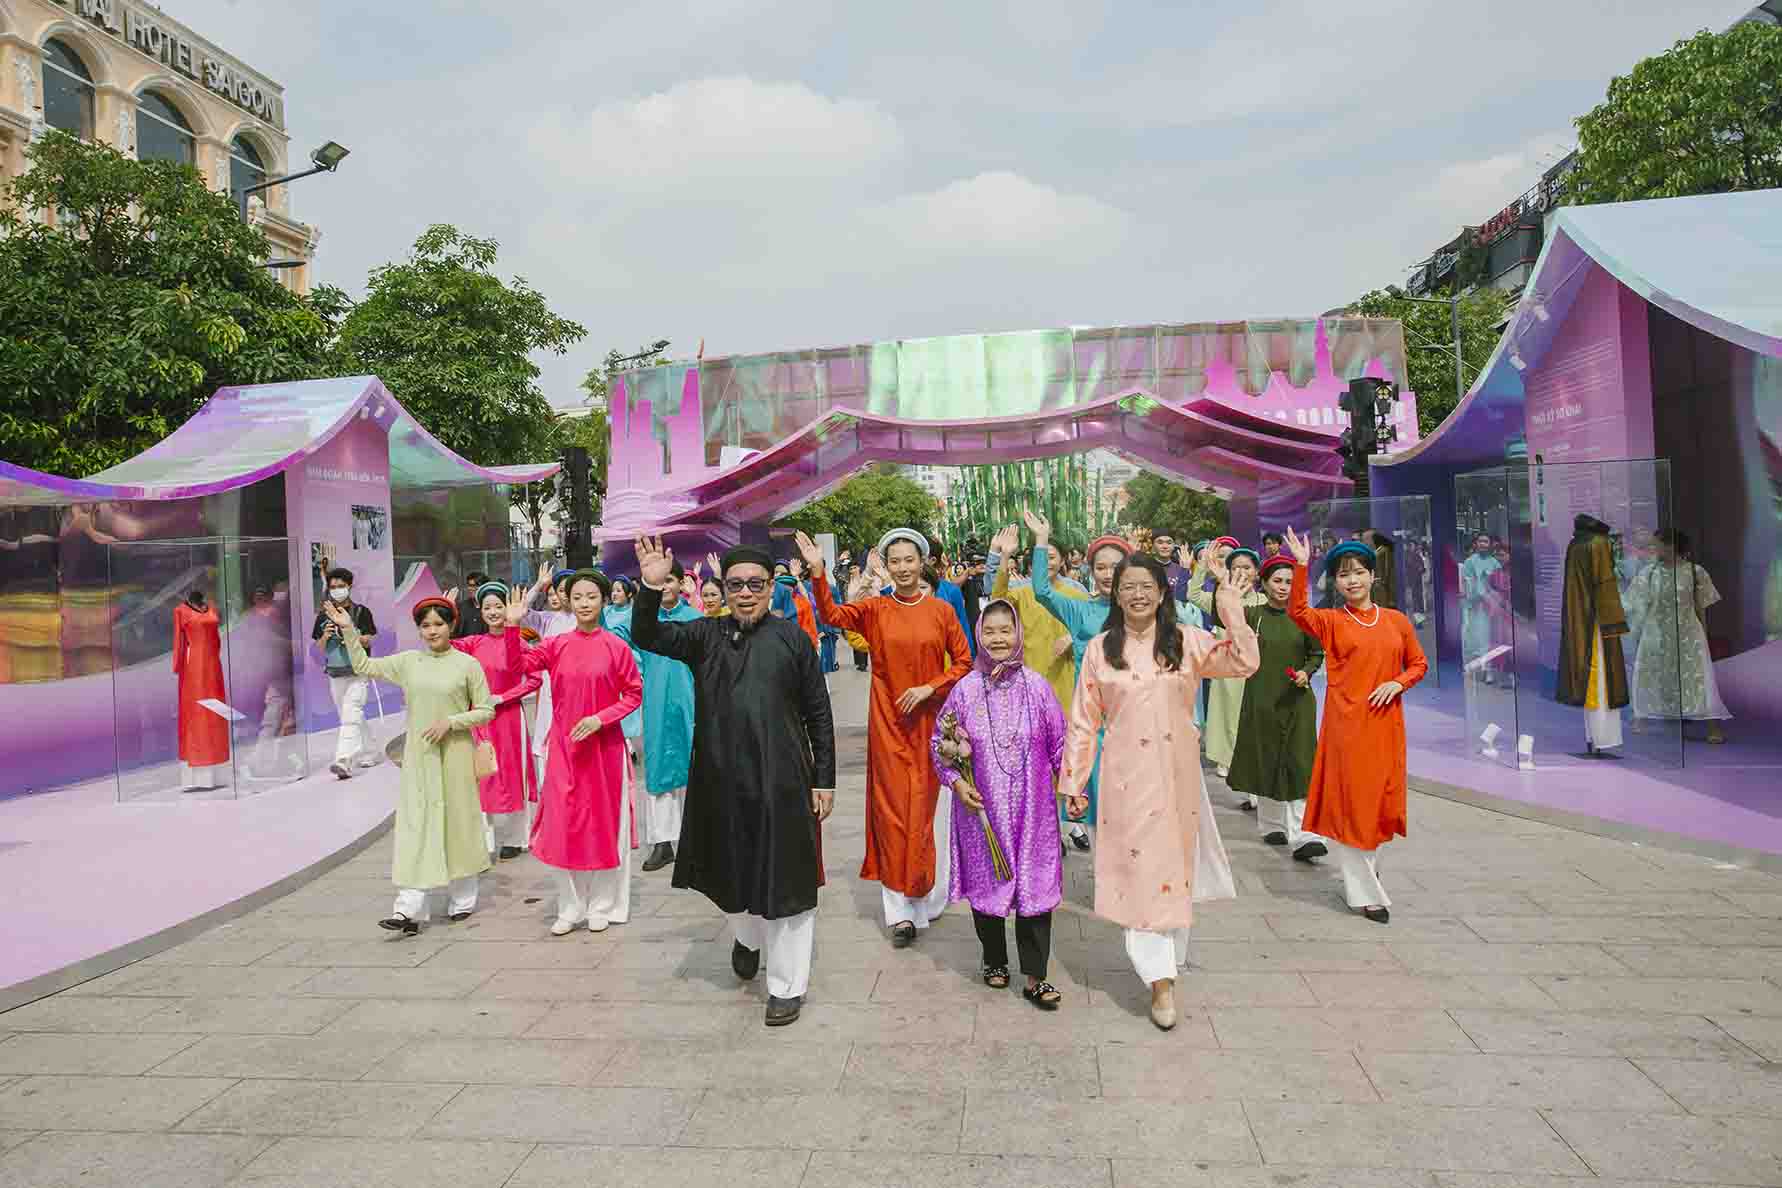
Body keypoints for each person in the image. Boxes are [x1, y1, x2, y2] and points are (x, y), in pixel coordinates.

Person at [630, 537, 835, 1026]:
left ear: (770, 589)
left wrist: (823, 778)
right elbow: (647, 636)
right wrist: (650, 587)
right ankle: (746, 935)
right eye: (736, 584)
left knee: (789, 883)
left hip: (784, 781)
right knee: (727, 873)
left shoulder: (792, 639)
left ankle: (787, 986)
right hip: (720, 780)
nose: (745, 593)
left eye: (755, 585)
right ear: (723, 589)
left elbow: (819, 713)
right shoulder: (704, 635)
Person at [1060, 551, 1255, 1030]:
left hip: (1177, 776)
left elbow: (1245, 660)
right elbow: (1084, 721)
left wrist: (1229, 605)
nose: (1137, 594)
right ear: (1115, 593)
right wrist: (1074, 782)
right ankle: (1161, 983)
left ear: (1163, 591)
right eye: (1128, 586)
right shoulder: (1101, 649)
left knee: (1171, 868)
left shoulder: (1186, 642)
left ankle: (1167, 960)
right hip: (1125, 780)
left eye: (1147, 585)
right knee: (1140, 872)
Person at [804, 527, 971, 946]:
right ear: (886, 565)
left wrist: (931, 687)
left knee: (925, 812)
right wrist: (819, 572)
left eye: (909, 560)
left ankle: (924, 897)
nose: (903, 568)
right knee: (892, 812)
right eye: (894, 561)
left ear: (922, 562)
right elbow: (831, 617)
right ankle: (898, 912)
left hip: (932, 727)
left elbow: (966, 661)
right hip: (889, 725)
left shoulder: (941, 612)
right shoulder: (875, 609)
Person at [323, 595, 494, 933]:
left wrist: (452, 722)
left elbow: (486, 710)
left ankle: (462, 898)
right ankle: (409, 908)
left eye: (439, 624)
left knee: (458, 822)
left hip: (456, 754)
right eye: (426, 625)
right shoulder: (408, 662)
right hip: (420, 757)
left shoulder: (467, 665)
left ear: (451, 625)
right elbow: (364, 667)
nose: (432, 631)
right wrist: (348, 631)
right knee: (416, 825)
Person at [1283, 528, 1428, 924]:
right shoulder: (1331, 621)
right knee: (1354, 805)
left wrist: (1396, 682)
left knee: (1380, 804)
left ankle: (1366, 870)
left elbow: (1418, 664)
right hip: (1347, 727)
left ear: (1372, 576)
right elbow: (1298, 612)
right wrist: (1300, 565)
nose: (1352, 580)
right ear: (1336, 582)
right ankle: (1365, 893)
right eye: (1343, 574)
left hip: (1386, 728)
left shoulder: (1396, 621)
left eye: (1359, 572)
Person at [932, 599, 1067, 1009]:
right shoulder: (965, 690)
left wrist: (1074, 788)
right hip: (981, 811)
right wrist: (956, 783)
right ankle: (994, 960)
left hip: (1034, 811)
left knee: (1035, 887)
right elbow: (941, 744)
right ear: (979, 635)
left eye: (1005, 630)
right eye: (989, 631)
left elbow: (1060, 743)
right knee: (987, 884)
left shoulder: (1038, 686)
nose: (998, 639)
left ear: (1018, 634)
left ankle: (1035, 976)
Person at [501, 570, 643, 935]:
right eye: (577, 596)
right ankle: (570, 905)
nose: (583, 603)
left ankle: (601, 903)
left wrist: (601, 719)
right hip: (563, 749)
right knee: (562, 827)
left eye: (591, 596)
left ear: (603, 600)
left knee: (602, 826)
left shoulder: (617, 647)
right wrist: (513, 628)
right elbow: (517, 667)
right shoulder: (556, 644)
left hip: (604, 750)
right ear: (567, 599)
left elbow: (633, 694)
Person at [1026, 511, 1128, 854]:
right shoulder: (1081, 611)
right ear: (1089, 570)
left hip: (1132, 721)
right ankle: (1108, 877)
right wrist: (1042, 541)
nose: (1107, 574)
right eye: (1100, 567)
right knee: (1098, 801)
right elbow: (1041, 591)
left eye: (1115, 567)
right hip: (1092, 722)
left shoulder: (1143, 612)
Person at [606, 559, 704, 871]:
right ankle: (662, 842)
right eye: (660, 582)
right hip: (657, 703)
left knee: (698, 772)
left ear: (680, 583)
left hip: (692, 704)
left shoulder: (696, 620)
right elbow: (615, 640)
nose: (665, 588)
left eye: (671, 581)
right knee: (659, 771)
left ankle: (699, 842)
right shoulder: (644, 623)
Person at [1227, 557, 1327, 862]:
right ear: (1264, 582)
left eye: (1289, 582)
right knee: (1267, 756)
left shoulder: (1304, 616)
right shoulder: (1251, 615)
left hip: (1297, 699)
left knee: (1300, 761)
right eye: (1278, 581)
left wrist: (1306, 673)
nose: (1283, 588)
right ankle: (1272, 825)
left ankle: (1305, 834)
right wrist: (1226, 589)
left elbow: (1317, 652)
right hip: (1260, 698)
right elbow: (1224, 617)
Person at [451, 583, 541, 860]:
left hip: (509, 719)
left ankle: (516, 837)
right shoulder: (473, 643)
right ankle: (483, 839)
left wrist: (502, 698)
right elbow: (445, 647)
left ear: (509, 608)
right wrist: (449, 617)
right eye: (487, 607)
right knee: (481, 776)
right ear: (480, 610)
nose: (493, 612)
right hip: (479, 719)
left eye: (498, 606)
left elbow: (534, 679)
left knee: (513, 775)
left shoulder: (521, 641)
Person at [1628, 529, 1730, 743]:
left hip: (1689, 633)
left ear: (1671, 546)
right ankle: (1642, 717)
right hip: (1656, 634)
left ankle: (1713, 726)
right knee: (1652, 675)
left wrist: (1705, 635)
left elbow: (1701, 607)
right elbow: (1635, 605)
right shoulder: (1649, 573)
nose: (1652, 549)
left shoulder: (1696, 572)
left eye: (1656, 545)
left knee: (1699, 678)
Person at [1186, 544, 1266, 782]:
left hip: (1258, 667)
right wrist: (1202, 566)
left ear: (1257, 572)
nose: (1242, 572)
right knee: (1229, 715)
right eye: (1236, 567)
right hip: (1229, 668)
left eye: (1247, 567)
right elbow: (1194, 594)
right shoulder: (1219, 598)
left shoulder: (1265, 600)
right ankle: (1229, 760)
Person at [984, 524, 1083, 713]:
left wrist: (1072, 638)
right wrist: (1004, 555)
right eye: (1041, 557)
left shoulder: (1076, 593)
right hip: (1031, 678)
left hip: (1066, 680)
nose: (1046, 563)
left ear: (1063, 560)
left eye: (1052, 557)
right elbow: (997, 600)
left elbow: (1096, 628)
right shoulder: (1022, 592)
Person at [311, 567, 378, 780]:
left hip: (359, 670)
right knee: (350, 714)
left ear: (350, 586)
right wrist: (326, 635)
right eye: (333, 587)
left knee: (351, 712)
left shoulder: (361, 612)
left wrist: (349, 633)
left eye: (341, 586)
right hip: (335, 672)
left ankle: (344, 760)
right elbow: (317, 648)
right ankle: (370, 751)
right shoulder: (323, 616)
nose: (337, 590)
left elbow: (369, 638)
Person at [1459, 533, 1502, 679]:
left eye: (1486, 541)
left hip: (1494, 606)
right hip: (1478, 607)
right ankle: (1486, 669)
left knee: (1493, 637)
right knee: (1481, 638)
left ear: (1490, 544)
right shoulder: (1469, 562)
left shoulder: (1495, 562)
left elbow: (1500, 584)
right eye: (1481, 541)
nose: (1483, 544)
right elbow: (1467, 585)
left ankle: (1491, 667)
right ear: (1476, 544)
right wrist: (1478, 597)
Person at [453, 571, 490, 639]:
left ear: (485, 587)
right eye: (470, 585)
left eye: (476, 585)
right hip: (464, 647)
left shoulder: (491, 608)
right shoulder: (461, 607)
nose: (472, 589)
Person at [1154, 531, 1190, 602]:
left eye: (1169, 543)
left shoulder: (1181, 569)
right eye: (1160, 542)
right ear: (1153, 546)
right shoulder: (1146, 568)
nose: (1165, 546)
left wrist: (1185, 570)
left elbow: (1185, 598)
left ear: (1174, 546)